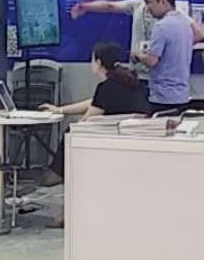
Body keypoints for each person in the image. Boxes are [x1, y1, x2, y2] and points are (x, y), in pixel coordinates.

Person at [40, 42, 150, 182]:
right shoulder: (127, 81)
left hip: (112, 135)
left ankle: (57, 174)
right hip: (134, 133)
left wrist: (76, 124)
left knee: (71, 131)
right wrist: (60, 110)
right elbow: (95, 102)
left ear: (99, 62)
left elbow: (86, 120)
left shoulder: (106, 87)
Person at [70, 0, 204, 57]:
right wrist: (85, 6)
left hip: (158, 73)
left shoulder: (172, 11)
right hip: (137, 72)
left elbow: (199, 34)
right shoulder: (137, 4)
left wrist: (171, 49)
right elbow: (110, 6)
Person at [135, 0, 194, 114]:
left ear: (163, 1)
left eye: (150, 2)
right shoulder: (185, 24)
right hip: (182, 95)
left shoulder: (161, 26)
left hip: (162, 98)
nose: (148, 7)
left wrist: (138, 56)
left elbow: (152, 60)